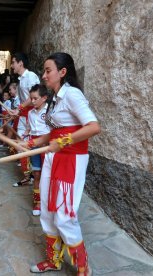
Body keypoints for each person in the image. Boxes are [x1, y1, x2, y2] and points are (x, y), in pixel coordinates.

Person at [27, 52, 100, 275]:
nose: (44, 75)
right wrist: (32, 143)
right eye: (44, 70)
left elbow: (93, 127)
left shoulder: (72, 95)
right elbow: (55, 132)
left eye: (48, 70)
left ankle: (82, 267)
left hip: (71, 159)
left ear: (62, 72)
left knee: (64, 215)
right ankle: (53, 260)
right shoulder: (56, 98)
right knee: (48, 210)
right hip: (54, 157)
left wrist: (64, 142)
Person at [19, 84, 51, 216]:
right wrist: (24, 136)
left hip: (48, 145)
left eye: (35, 98)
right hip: (34, 144)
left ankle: (48, 202)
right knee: (37, 174)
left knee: (48, 175)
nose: (32, 101)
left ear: (44, 98)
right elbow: (29, 128)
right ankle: (37, 203)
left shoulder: (50, 110)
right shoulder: (31, 113)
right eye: (31, 98)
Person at [11, 52, 40, 185]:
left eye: (13, 63)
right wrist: (16, 109)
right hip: (24, 114)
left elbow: (33, 97)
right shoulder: (21, 78)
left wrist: (20, 108)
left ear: (20, 63)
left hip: (31, 114)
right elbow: (24, 100)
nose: (12, 66)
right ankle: (28, 175)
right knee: (21, 144)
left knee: (26, 144)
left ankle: (32, 175)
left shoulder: (31, 76)